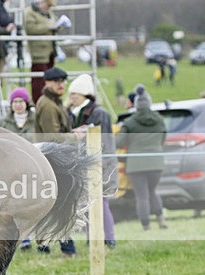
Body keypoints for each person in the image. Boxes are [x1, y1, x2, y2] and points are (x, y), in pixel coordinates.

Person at [66, 73, 118, 249]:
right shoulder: (76, 112)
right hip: (85, 163)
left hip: (100, 163)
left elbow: (102, 140)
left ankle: (108, 239)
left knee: (101, 202)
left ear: (84, 94)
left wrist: (83, 134)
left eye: (75, 94)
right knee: (88, 203)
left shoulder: (99, 113)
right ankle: (92, 238)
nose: (72, 97)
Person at [33, 67, 79, 256]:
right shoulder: (49, 105)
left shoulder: (53, 102)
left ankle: (48, 246)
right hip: (53, 161)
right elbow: (52, 137)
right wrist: (75, 137)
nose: (61, 85)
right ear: (47, 83)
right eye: (57, 81)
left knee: (55, 204)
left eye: (63, 81)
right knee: (59, 204)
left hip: (54, 160)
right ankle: (64, 247)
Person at [116, 84, 168, 231]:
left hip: (135, 165)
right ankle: (161, 219)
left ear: (137, 105)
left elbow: (118, 142)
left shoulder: (129, 122)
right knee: (152, 191)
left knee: (141, 196)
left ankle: (146, 225)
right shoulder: (159, 120)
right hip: (156, 163)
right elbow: (163, 138)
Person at [24, 0, 58, 103]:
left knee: (50, 78)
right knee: (39, 80)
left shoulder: (48, 13)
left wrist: (58, 26)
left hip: (50, 51)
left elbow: (54, 24)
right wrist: (49, 26)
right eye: (48, 5)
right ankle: (38, 102)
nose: (49, 8)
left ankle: (49, 100)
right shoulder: (30, 13)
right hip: (38, 52)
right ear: (42, 2)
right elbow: (30, 29)